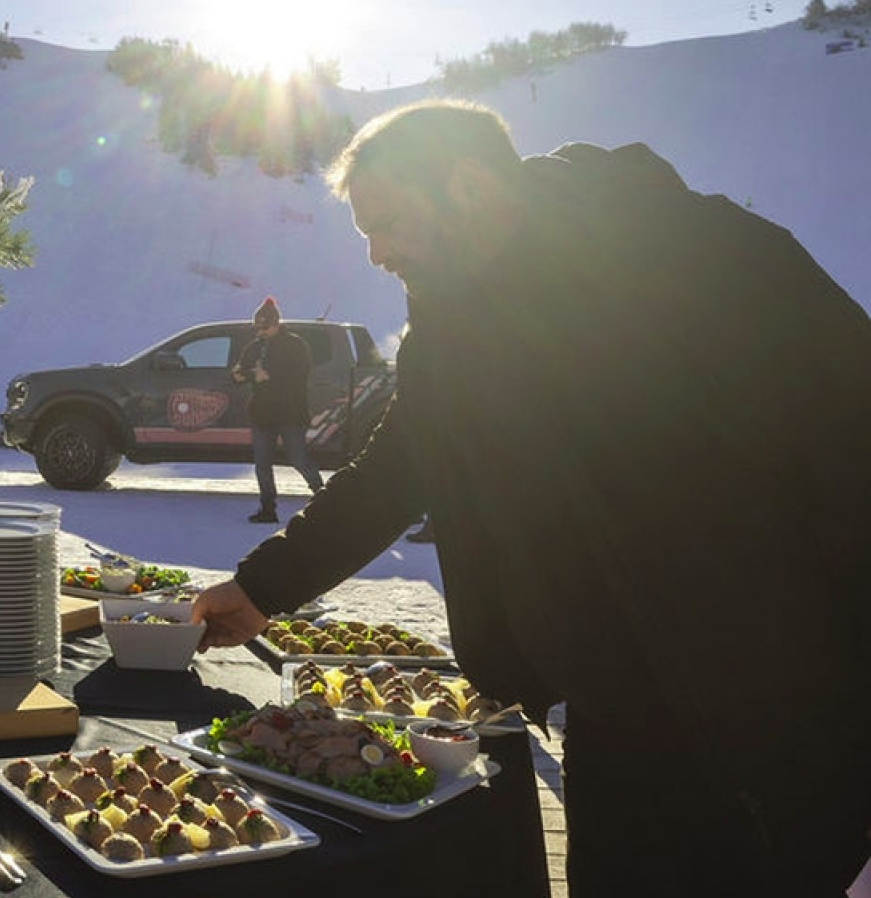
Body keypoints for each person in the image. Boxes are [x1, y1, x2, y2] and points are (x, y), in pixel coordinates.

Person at [190, 100, 871, 896]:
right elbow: (395, 471)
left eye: (389, 223)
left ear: (471, 187)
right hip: (615, 721)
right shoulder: (451, 326)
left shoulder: (701, 256)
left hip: (787, 711)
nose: (376, 254)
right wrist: (264, 588)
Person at [231, 296, 323, 523]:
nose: (260, 332)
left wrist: (269, 376)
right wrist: (243, 375)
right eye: (257, 328)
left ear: (276, 324)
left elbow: (300, 375)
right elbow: (241, 371)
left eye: (265, 327)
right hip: (262, 414)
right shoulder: (254, 347)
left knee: (299, 460)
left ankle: (325, 501)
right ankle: (267, 509)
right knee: (262, 464)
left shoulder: (295, 345)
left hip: (291, 413)